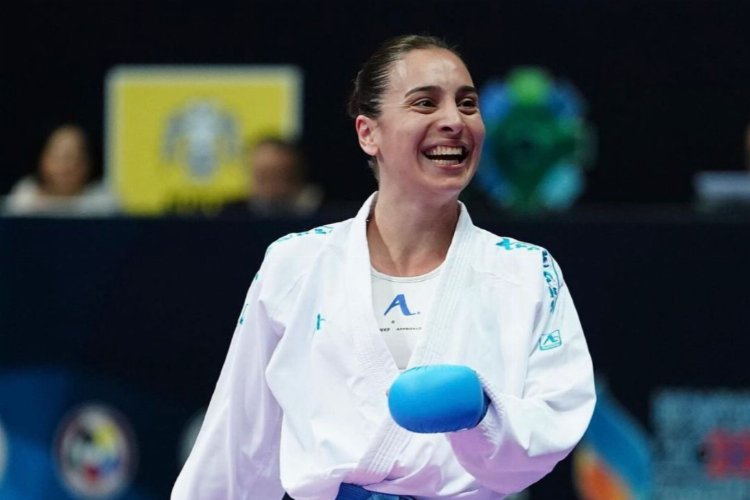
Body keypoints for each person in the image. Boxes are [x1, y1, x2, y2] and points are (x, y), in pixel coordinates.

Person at [172, 34, 595, 500]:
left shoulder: (526, 271)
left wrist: (482, 415)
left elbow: (558, 415)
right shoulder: (296, 263)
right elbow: (237, 443)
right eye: (425, 103)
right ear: (368, 133)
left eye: (468, 104)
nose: (454, 120)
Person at [2, 123, 118, 216]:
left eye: (75, 157)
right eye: (59, 157)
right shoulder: (25, 197)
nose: (67, 166)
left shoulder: (103, 203)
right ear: (43, 160)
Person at [219, 136, 323, 217]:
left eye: (282, 178)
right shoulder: (229, 216)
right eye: (263, 178)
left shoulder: (322, 216)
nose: (272, 188)